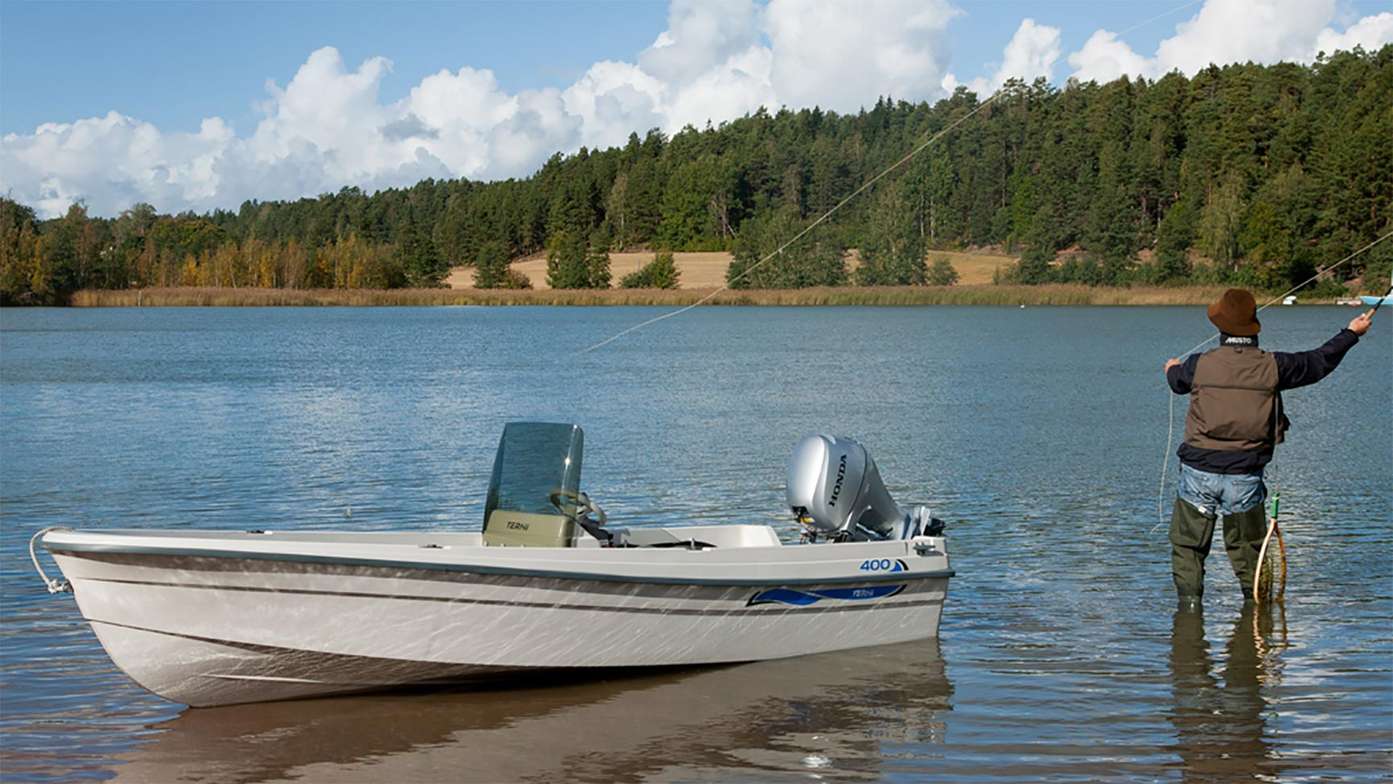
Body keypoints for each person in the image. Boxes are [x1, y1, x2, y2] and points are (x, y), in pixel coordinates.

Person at [1163, 289, 1373, 608]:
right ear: (1253, 326)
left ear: (1220, 326)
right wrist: (1351, 333)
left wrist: (1171, 367)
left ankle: (1189, 613)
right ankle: (1257, 617)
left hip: (1197, 474)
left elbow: (1176, 382)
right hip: (1245, 476)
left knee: (1188, 547)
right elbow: (1319, 362)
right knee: (1250, 551)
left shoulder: (1197, 365)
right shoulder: (1275, 365)